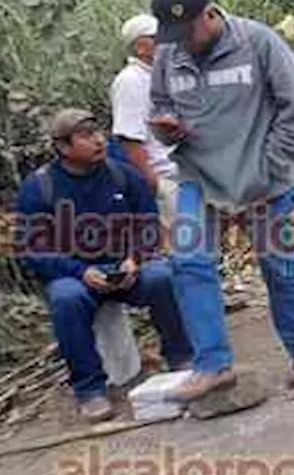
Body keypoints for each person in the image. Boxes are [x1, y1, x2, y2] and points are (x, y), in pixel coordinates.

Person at [149, 0, 294, 401]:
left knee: (278, 265)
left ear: (210, 14)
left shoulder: (259, 42)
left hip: (261, 178)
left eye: (188, 32)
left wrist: (269, 167)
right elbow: (158, 106)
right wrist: (165, 125)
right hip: (198, 176)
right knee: (189, 263)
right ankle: (212, 365)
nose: (181, 44)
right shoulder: (170, 54)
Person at [15, 109, 192, 422]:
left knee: (162, 276)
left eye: (99, 133)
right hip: (76, 274)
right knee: (66, 299)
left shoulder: (122, 174)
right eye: (86, 136)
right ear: (64, 147)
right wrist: (79, 271)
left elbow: (148, 223)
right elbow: (35, 248)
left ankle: (180, 358)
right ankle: (89, 390)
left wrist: (134, 258)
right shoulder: (39, 188)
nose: (99, 140)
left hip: (124, 268)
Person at [111, 15, 178, 227]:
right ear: (140, 47)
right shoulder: (131, 81)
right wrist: (155, 184)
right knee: (183, 245)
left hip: (184, 175)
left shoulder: (160, 76)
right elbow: (130, 138)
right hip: (166, 179)